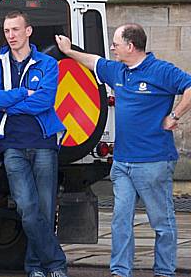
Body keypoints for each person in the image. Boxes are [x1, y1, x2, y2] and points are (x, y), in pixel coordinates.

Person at [56, 24, 191, 277]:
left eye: (116, 44)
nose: (111, 48)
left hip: (153, 162)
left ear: (130, 46)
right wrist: (69, 50)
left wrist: (174, 115)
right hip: (122, 164)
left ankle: (164, 272)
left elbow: (190, 87)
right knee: (120, 221)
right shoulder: (117, 70)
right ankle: (120, 272)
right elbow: (94, 61)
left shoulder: (161, 71)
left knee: (162, 222)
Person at [0, 11, 68, 277]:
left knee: (43, 209)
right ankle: (56, 263)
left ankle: (34, 267)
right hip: (11, 145)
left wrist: (10, 103)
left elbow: (44, 101)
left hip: (43, 143)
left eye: (16, 30)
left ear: (28, 31)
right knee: (28, 210)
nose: (11, 36)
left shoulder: (47, 64)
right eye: (7, 31)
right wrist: (21, 94)